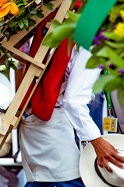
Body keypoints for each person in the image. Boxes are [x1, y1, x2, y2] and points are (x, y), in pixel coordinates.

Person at [20, 42, 124, 186]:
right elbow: (74, 101)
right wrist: (97, 142)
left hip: (51, 127)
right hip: (52, 127)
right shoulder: (93, 40)